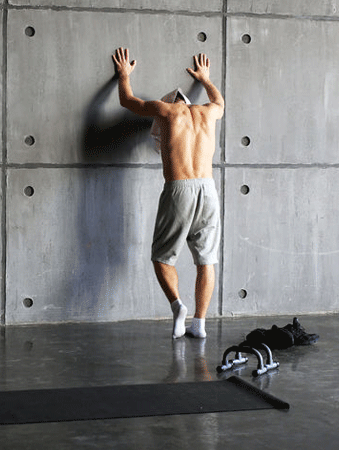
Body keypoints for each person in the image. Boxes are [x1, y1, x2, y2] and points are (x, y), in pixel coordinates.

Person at [112, 48, 224, 339]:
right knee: (207, 259)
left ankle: (178, 306)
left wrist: (124, 75)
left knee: (162, 257)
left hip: (180, 188)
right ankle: (200, 324)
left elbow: (128, 100)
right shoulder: (207, 112)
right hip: (209, 190)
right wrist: (206, 79)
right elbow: (219, 101)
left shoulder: (166, 110)